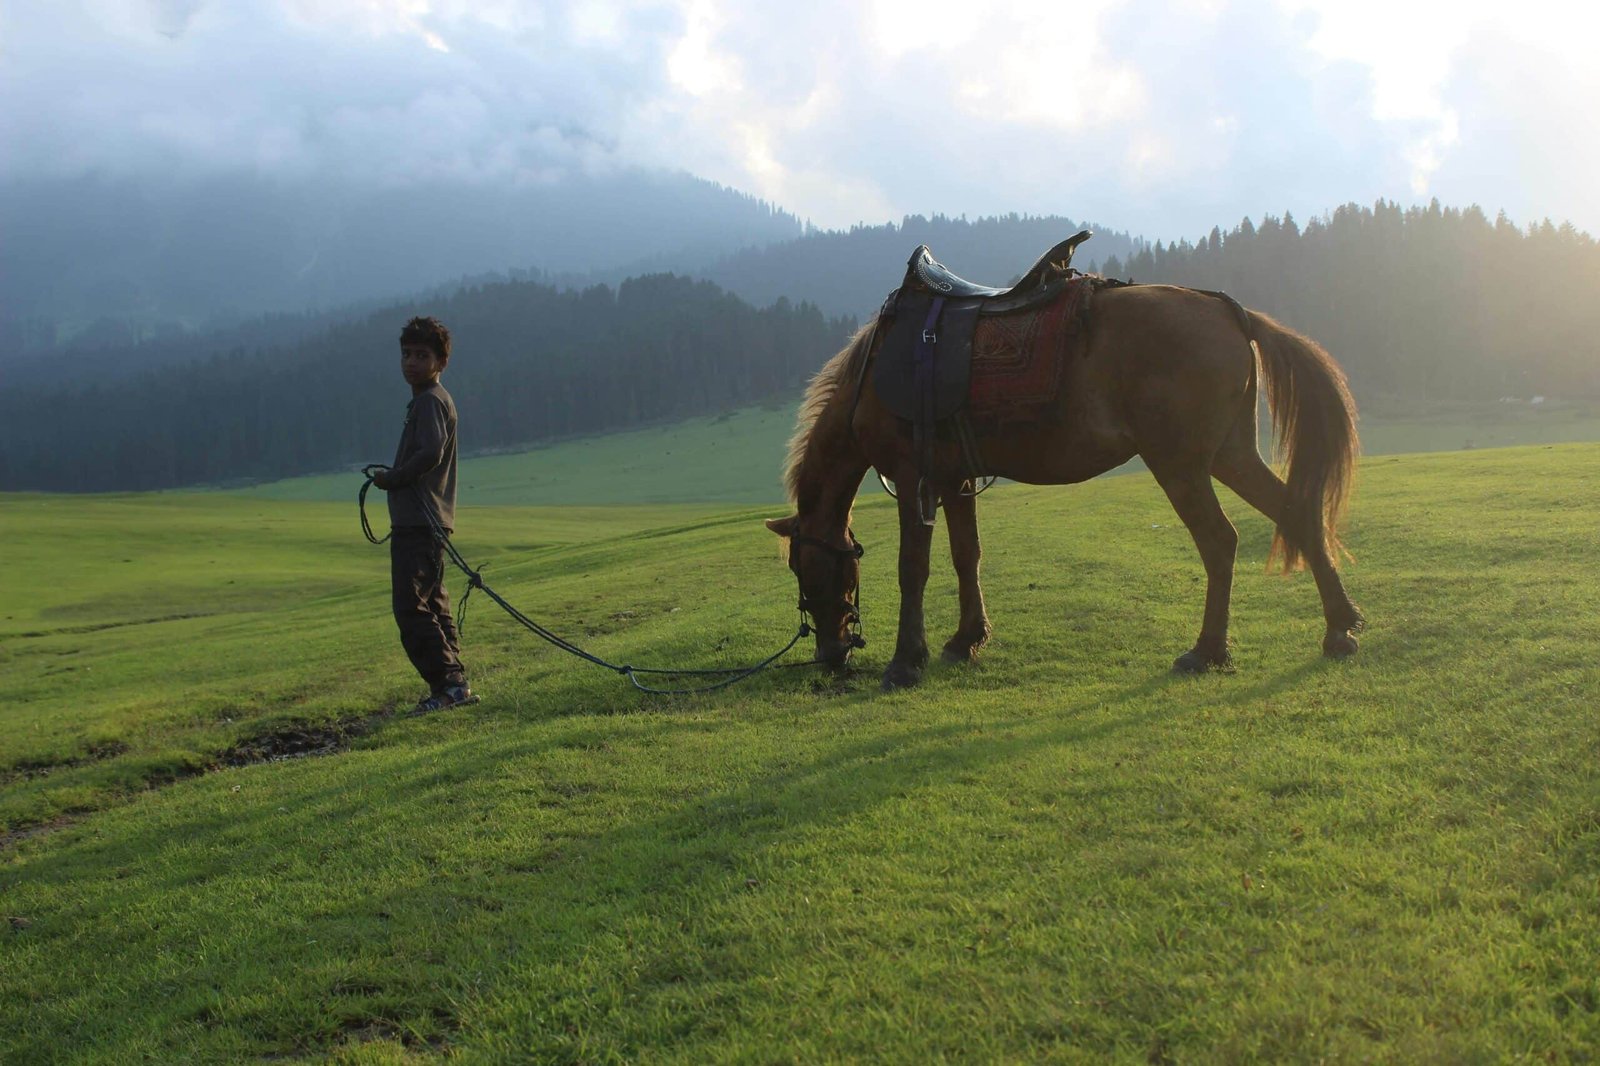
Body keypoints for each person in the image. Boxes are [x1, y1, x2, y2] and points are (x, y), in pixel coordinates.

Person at [370, 316, 478, 712]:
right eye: (406, 354)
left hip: (420, 519)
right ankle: (454, 681)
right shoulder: (428, 399)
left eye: (422, 355)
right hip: (428, 519)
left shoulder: (430, 400)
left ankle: (448, 684)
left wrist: (393, 478)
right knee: (434, 602)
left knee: (410, 606)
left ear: (440, 361)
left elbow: (430, 452)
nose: (411, 362)